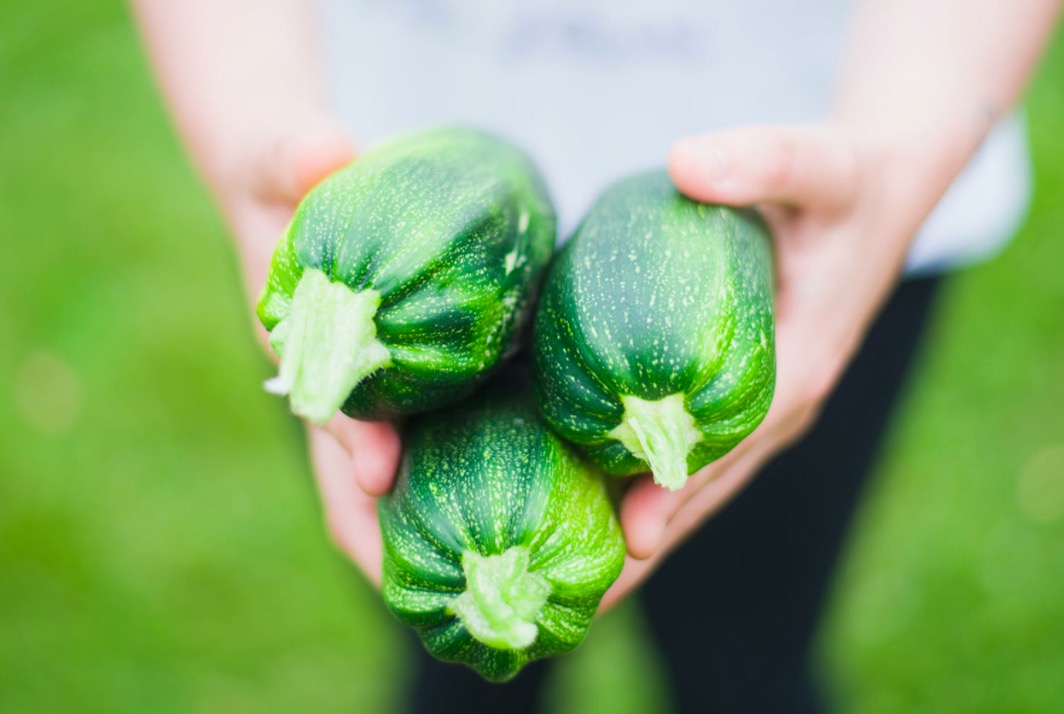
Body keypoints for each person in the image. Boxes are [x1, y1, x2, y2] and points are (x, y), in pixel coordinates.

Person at [132, 1, 1061, 711]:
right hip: (380, 176)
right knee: (459, 665)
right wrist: (247, 122)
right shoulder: (352, 276)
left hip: (825, 193)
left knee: (746, 653)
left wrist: (904, 152)